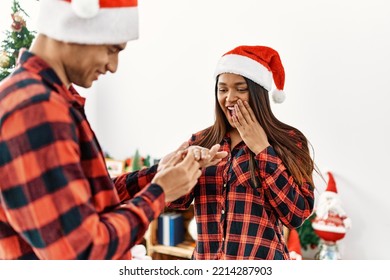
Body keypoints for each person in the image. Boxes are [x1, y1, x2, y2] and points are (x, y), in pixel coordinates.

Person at [0, 0, 226, 260]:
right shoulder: (36, 108)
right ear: (75, 27)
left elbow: (90, 202)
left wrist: (159, 175)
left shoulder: (53, 100)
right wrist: (160, 193)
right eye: (111, 50)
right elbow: (81, 253)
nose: (113, 65)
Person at [167, 45, 316, 260]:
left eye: (241, 88)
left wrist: (262, 149)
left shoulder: (289, 140)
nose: (229, 98)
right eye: (223, 89)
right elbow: (173, 202)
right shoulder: (202, 141)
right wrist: (183, 166)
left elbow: (296, 215)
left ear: (258, 93)